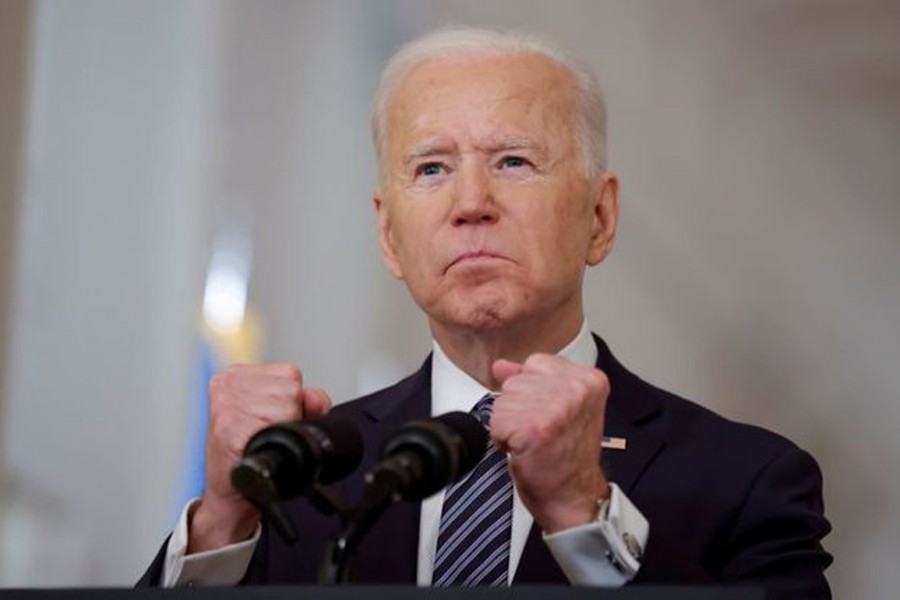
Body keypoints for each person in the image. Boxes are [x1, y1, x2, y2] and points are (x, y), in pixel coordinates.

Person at [139, 26, 832, 598]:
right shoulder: (301, 476)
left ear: (599, 216)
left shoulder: (750, 480)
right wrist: (221, 523)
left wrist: (586, 517)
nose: (471, 202)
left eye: (513, 161)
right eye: (432, 169)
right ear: (389, 235)